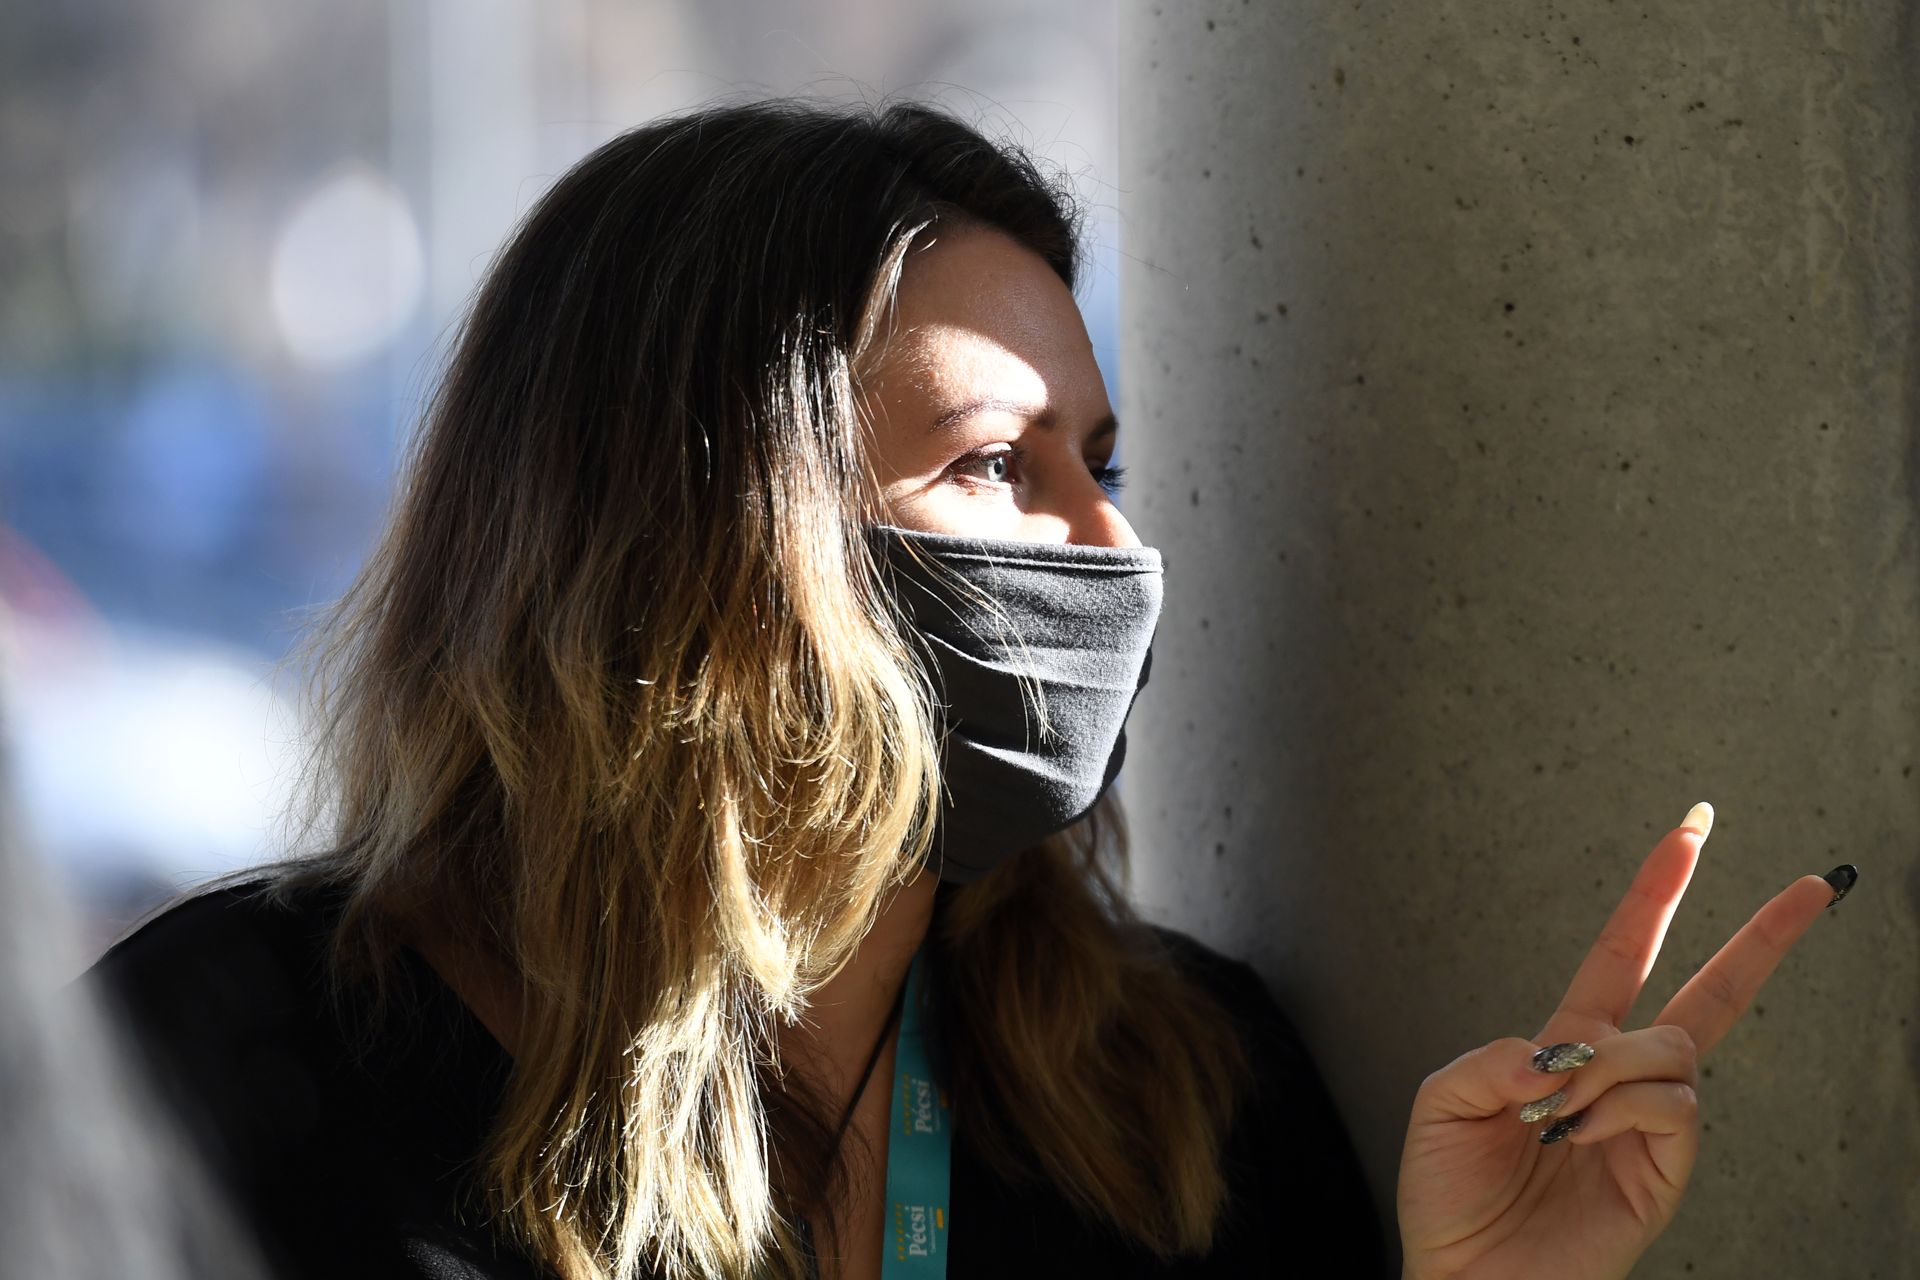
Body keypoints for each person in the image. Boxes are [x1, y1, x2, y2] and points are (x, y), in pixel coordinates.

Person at [81, 96, 1856, 1280]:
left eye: (1105, 455)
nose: (1113, 543)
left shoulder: (1180, 1097)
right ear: (693, 525)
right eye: (1000, 463)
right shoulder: (218, 1068)